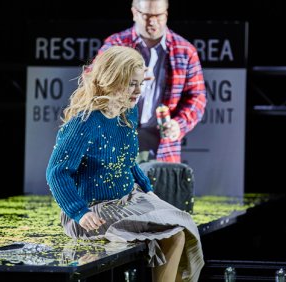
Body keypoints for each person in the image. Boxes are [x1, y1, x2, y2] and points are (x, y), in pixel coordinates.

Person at [46, 46, 203, 282]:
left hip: (129, 199)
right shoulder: (85, 122)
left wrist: (148, 190)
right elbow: (56, 172)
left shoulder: (128, 113)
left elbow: (128, 160)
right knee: (172, 233)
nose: (138, 91)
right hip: (94, 211)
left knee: (183, 227)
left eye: (140, 83)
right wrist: (79, 212)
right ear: (112, 80)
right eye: (131, 84)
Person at [97, 0, 206, 163]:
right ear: (134, 13)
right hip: (118, 133)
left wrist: (179, 124)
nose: (153, 21)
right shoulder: (115, 45)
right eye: (147, 15)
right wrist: (123, 78)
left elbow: (197, 97)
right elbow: (93, 81)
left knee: (159, 188)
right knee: (115, 187)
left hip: (163, 143)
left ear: (166, 14)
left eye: (159, 15)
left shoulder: (185, 51)